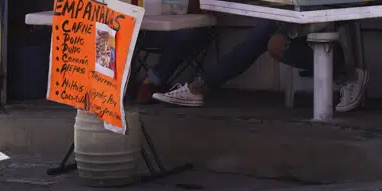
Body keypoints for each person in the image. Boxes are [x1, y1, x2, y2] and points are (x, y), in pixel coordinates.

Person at [153, 19, 369, 113]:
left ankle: (346, 73)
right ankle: (199, 86)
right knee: (268, 35)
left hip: (330, 3)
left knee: (268, 36)